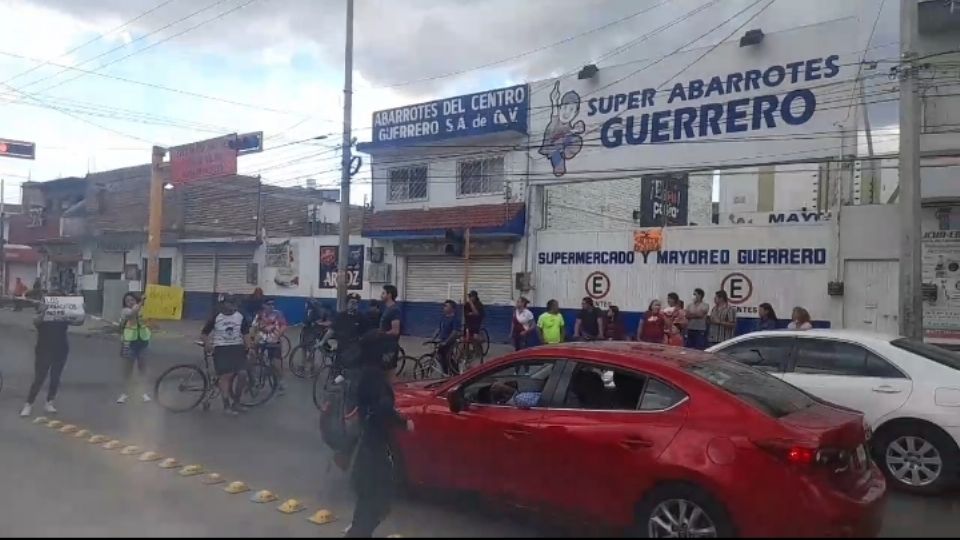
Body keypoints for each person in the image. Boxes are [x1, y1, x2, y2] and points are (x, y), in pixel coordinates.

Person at [346, 346, 414, 538]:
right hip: (374, 456)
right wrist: (404, 422)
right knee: (376, 505)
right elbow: (383, 409)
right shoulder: (378, 383)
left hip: (366, 452)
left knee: (366, 505)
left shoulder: (366, 376)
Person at [20, 294, 84, 417]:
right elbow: (36, 321)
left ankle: (49, 402)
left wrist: (81, 310)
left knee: (56, 377)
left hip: (61, 348)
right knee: (39, 378)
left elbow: (78, 322)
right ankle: (28, 404)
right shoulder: (41, 316)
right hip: (44, 349)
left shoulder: (63, 315)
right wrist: (43, 311)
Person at [200, 296, 251, 416]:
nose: (232, 305)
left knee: (243, 374)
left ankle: (237, 402)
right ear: (223, 304)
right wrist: (207, 344)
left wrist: (249, 347)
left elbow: (245, 333)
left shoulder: (240, 316)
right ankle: (226, 405)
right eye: (229, 303)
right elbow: (204, 333)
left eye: (233, 303)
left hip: (237, 348)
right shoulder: (216, 316)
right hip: (221, 348)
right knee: (226, 376)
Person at [117, 292, 152, 404]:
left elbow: (146, 319)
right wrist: (141, 302)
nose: (130, 302)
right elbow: (132, 313)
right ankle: (125, 393)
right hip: (129, 342)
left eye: (132, 300)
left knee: (143, 368)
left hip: (143, 341)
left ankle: (143, 392)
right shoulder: (125, 311)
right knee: (128, 369)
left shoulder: (141, 309)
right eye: (127, 301)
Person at [253, 298, 288, 394]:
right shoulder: (259, 315)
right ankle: (256, 381)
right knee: (256, 361)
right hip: (261, 342)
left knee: (276, 364)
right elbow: (254, 327)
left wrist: (278, 334)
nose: (271, 306)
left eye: (273, 304)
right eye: (269, 304)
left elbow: (284, 325)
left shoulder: (278, 314)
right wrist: (253, 338)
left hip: (274, 343)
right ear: (264, 305)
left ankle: (280, 382)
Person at [433, 300, 462, 376]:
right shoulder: (444, 317)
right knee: (440, 357)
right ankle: (445, 373)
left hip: (449, 342)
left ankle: (456, 373)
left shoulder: (455, 319)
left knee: (448, 358)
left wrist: (446, 342)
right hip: (442, 340)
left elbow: (455, 332)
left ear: (452, 309)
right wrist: (433, 337)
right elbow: (439, 328)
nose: (444, 308)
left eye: (446, 306)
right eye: (444, 306)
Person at [378, 285, 402, 376]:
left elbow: (395, 331)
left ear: (389, 295)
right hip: (384, 346)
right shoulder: (387, 309)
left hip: (390, 347)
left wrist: (381, 333)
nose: (381, 295)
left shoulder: (394, 310)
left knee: (389, 375)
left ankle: (394, 390)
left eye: (383, 293)